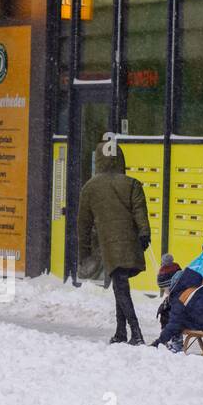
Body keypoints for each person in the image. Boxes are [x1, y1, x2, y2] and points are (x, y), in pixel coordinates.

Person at [78, 140, 151, 344]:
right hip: (131, 242)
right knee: (121, 285)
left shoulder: (90, 188)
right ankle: (121, 332)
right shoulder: (132, 183)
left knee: (120, 286)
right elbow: (140, 211)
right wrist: (144, 233)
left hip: (109, 244)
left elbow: (82, 225)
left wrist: (83, 253)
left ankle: (135, 333)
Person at [153, 254, 203, 351]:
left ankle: (176, 343)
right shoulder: (198, 279)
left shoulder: (179, 296)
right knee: (202, 309)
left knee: (169, 312)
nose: (165, 292)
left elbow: (173, 324)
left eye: (164, 289)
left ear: (169, 284)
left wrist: (158, 342)